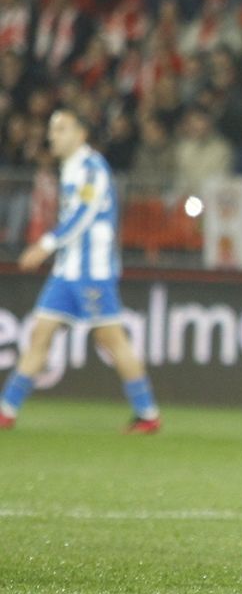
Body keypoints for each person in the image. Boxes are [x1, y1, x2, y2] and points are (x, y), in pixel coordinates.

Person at [1, 108, 161, 434]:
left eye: (61, 128)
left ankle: (148, 414)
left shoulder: (92, 168)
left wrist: (45, 244)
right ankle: (6, 410)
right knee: (39, 334)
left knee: (111, 340)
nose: (53, 135)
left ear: (81, 134)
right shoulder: (69, 168)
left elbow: (84, 215)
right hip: (66, 271)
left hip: (93, 271)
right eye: (52, 129)